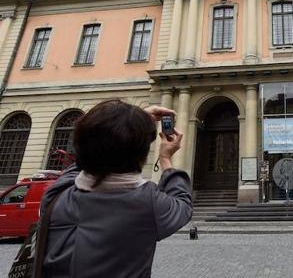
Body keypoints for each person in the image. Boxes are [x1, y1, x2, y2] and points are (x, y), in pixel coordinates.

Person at [39, 100, 192, 278]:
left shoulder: (56, 194)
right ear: (141, 157)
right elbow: (183, 202)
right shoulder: (148, 204)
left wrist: (126, 123)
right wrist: (165, 159)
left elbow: (81, 163)